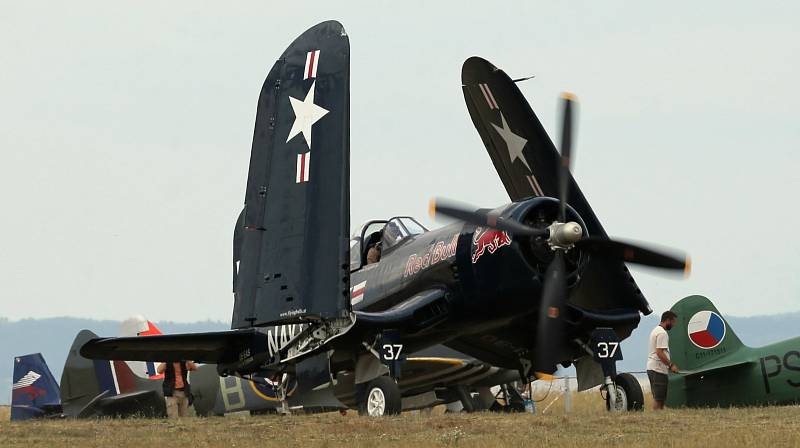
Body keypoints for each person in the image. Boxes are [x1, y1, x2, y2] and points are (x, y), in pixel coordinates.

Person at [647, 311, 679, 410]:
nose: (673, 325)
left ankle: (659, 419)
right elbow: (659, 352)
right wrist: (671, 365)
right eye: (673, 322)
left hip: (653, 368)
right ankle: (656, 420)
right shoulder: (662, 333)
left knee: (659, 398)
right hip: (658, 370)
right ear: (667, 320)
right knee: (659, 399)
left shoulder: (655, 330)